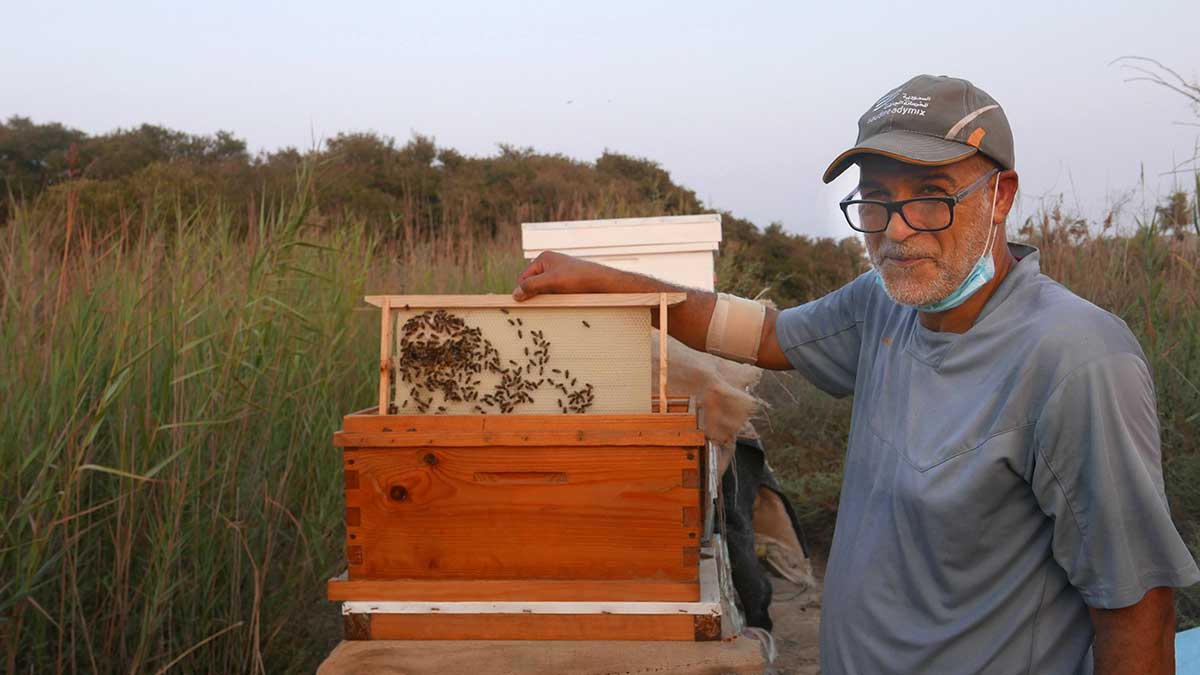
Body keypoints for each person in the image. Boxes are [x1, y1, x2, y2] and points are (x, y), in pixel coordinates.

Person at [511, 74, 1200, 674]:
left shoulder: (1077, 360)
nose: (896, 230)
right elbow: (764, 333)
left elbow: (1136, 601)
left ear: (1002, 194)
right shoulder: (885, 304)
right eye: (875, 200)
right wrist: (607, 281)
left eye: (931, 195)